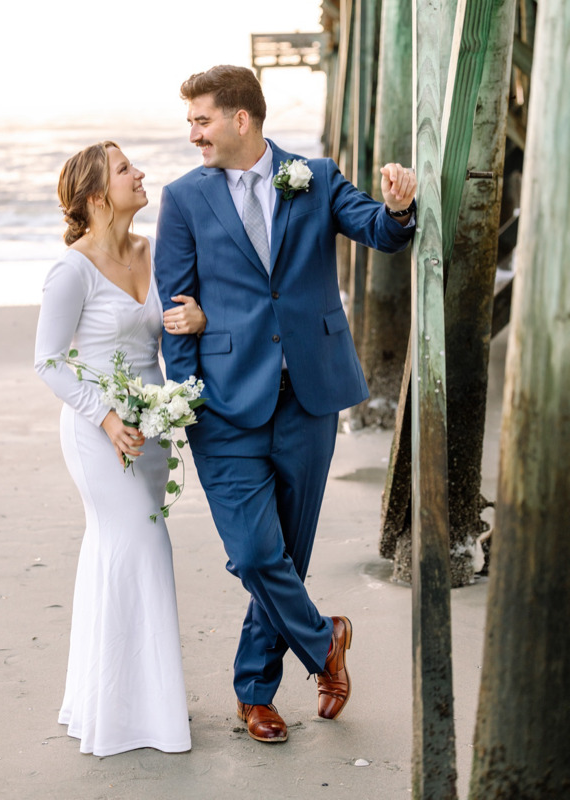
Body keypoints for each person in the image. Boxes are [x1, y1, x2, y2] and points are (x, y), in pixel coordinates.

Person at [155, 65, 417, 743]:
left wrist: (395, 207)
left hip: (310, 394)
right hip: (223, 403)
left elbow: (379, 233)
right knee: (252, 551)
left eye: (202, 120)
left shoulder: (317, 177)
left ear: (241, 119)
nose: (193, 135)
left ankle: (255, 694)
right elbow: (175, 308)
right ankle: (324, 639)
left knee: (287, 554)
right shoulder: (183, 198)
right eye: (190, 123)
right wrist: (188, 400)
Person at [34, 141, 207, 756]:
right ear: (97, 196)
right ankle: (136, 713)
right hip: (96, 431)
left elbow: (177, 326)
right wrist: (107, 419)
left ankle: (111, 700)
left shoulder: (153, 253)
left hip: (153, 426)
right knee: (138, 541)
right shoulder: (72, 269)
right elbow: (49, 362)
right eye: (126, 169)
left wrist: (198, 322)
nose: (141, 174)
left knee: (120, 547)